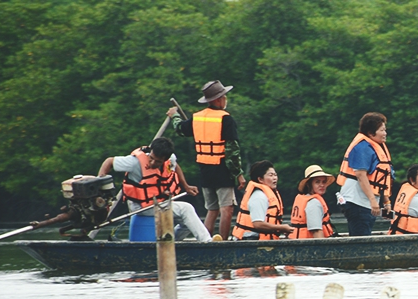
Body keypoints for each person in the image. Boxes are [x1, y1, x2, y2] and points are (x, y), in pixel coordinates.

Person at [168, 80, 246, 240]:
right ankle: (223, 242)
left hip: (205, 170)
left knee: (212, 210)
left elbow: (180, 129)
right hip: (222, 170)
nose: (225, 99)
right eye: (224, 96)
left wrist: (174, 115)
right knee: (227, 208)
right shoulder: (226, 119)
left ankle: (206, 241)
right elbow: (232, 151)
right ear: (218, 99)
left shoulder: (197, 117)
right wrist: (239, 175)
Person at [96, 137, 212, 241]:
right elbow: (109, 162)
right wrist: (100, 185)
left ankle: (171, 242)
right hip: (140, 206)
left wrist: (185, 186)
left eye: (158, 161)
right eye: (151, 158)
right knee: (186, 209)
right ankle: (207, 241)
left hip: (157, 203)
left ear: (165, 160)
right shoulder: (134, 162)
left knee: (187, 222)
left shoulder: (170, 159)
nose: (152, 162)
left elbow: (175, 166)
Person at [336, 112, 394, 236]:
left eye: (385, 130)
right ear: (371, 133)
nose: (385, 133)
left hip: (366, 202)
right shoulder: (362, 147)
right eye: (382, 130)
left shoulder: (376, 147)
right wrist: (373, 201)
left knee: (363, 234)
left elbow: (382, 180)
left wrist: (386, 202)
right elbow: (361, 176)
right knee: (360, 238)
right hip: (357, 202)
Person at [232, 161, 294, 240]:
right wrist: (281, 228)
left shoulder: (266, 194)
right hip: (249, 240)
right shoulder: (259, 196)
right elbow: (258, 224)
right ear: (260, 179)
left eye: (275, 175)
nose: (274, 178)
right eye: (271, 175)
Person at [290, 165, 336, 239]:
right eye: (317, 182)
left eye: (324, 182)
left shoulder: (307, 199)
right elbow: (316, 231)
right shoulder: (313, 203)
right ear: (309, 184)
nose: (322, 185)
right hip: (308, 247)